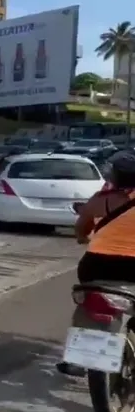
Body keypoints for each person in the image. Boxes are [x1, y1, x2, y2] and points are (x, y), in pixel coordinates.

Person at [57, 151, 135, 376]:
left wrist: (85, 238)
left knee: (88, 304)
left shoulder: (99, 200)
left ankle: (76, 360)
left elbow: (81, 231)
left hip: (95, 265)